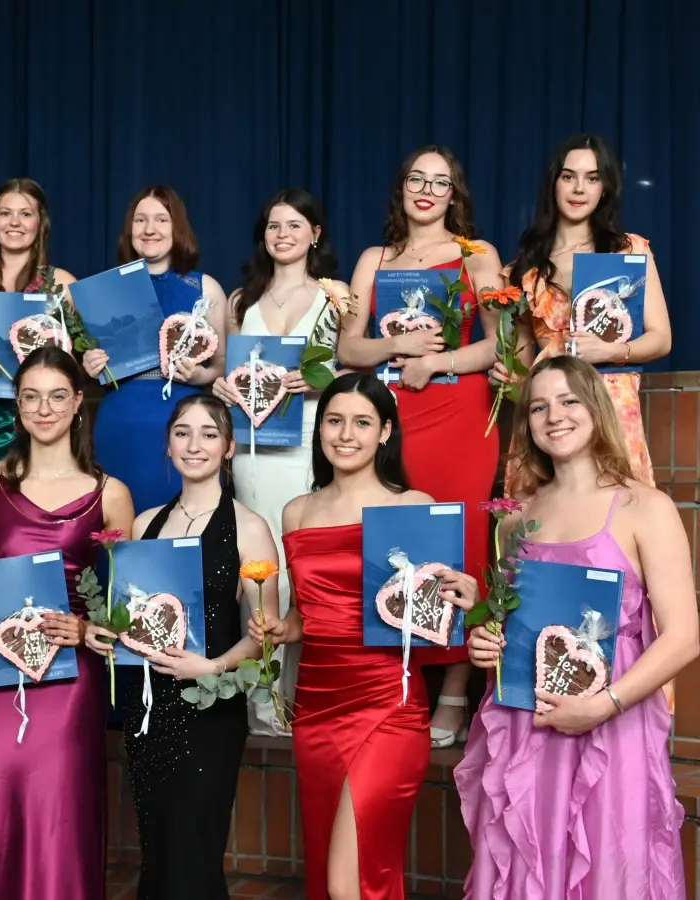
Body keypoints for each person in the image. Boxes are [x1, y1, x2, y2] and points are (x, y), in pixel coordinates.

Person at [457, 356, 693, 899]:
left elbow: (684, 635)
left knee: (611, 861)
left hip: (613, 720)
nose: (553, 416)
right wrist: (485, 642)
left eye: (568, 401)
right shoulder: (517, 520)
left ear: (596, 407)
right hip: (527, 723)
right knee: (528, 858)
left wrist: (603, 704)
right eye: (538, 406)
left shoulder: (645, 507)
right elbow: (513, 624)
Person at [248, 372, 479, 900]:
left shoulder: (411, 504)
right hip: (317, 708)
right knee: (343, 872)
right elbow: (308, 615)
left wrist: (462, 595)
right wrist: (281, 629)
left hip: (388, 705)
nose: (345, 434)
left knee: (348, 878)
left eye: (361, 422)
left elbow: (440, 616)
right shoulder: (296, 512)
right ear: (320, 430)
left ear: (384, 432)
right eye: (333, 421)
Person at [0, 346, 134, 900]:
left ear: (79, 403)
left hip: (71, 676)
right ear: (17, 406)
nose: (44, 408)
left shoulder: (112, 494)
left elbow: (127, 610)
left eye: (57, 396)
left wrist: (85, 632)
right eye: (31, 397)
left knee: (61, 808)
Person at [338, 146, 503, 749]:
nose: (427, 190)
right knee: (396, 544)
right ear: (401, 188)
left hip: (459, 414)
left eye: (441, 182)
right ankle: (402, 679)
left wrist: (437, 360)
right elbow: (348, 349)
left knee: (459, 543)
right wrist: (395, 348)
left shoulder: (476, 255)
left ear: (454, 194)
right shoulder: (374, 260)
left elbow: (498, 345)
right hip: (394, 414)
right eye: (417, 179)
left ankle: (456, 690)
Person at [85, 394, 278, 899]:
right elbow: (133, 614)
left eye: (209, 434)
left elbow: (264, 637)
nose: (195, 445)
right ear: (168, 445)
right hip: (150, 707)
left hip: (212, 708)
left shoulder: (251, 529)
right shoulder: (145, 524)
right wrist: (108, 631)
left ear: (229, 447)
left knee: (196, 847)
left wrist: (211, 666)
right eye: (183, 433)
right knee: (159, 847)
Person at [210, 188, 346, 734]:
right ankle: (261, 701)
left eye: (294, 225)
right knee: (256, 565)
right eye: (273, 225)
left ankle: (302, 698)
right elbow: (231, 369)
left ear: (315, 233)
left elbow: (350, 373)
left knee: (301, 565)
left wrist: (317, 379)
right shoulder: (243, 301)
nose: (282, 234)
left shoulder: (335, 298)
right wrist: (223, 385)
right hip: (252, 449)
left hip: (309, 443)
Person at [502, 134, 671, 487]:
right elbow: (520, 371)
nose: (579, 188)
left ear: (605, 188)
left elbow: (661, 339)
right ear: (553, 184)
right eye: (569, 176)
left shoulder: (628, 251)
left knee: (620, 515)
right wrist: (507, 381)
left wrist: (610, 350)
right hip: (550, 410)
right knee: (545, 521)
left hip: (610, 401)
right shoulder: (524, 269)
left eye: (592, 178)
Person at [83, 185, 229, 513]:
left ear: (177, 227)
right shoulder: (104, 290)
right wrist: (89, 365)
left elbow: (222, 365)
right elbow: (91, 362)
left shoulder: (204, 288)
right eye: (141, 220)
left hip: (181, 423)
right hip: (120, 421)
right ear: (129, 229)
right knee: (117, 526)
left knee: (183, 522)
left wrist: (201, 374)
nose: (150, 229)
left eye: (161, 219)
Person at [0, 179, 78, 486]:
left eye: (26, 213)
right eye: (6, 213)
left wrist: (69, 354)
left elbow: (83, 363)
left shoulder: (64, 285)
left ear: (40, 222)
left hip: (45, 420)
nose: (15, 223)